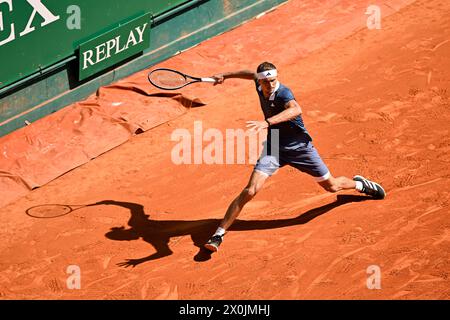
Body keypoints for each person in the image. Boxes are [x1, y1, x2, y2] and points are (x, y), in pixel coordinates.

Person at [204, 62, 386, 252]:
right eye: (265, 82)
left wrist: (268, 122)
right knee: (250, 191)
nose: (270, 85)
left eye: (273, 80)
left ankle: (360, 184)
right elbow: (250, 74)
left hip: (300, 148)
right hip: (274, 145)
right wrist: (225, 75)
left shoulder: (284, 93)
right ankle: (219, 234)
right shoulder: (259, 83)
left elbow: (295, 109)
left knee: (332, 186)